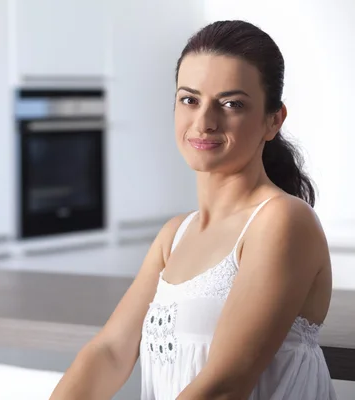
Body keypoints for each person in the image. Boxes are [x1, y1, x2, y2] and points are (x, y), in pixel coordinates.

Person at [50, 19, 336, 400]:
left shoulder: (282, 221)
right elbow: (110, 353)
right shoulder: (175, 235)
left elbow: (225, 385)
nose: (204, 122)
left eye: (231, 104)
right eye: (190, 99)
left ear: (273, 120)